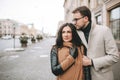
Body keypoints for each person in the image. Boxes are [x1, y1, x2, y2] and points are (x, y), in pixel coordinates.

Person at [72, 6, 119, 80]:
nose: (74, 23)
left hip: (102, 77)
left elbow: (114, 56)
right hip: (83, 76)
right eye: (73, 20)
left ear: (86, 18)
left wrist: (91, 62)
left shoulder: (104, 31)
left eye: (76, 19)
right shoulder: (76, 33)